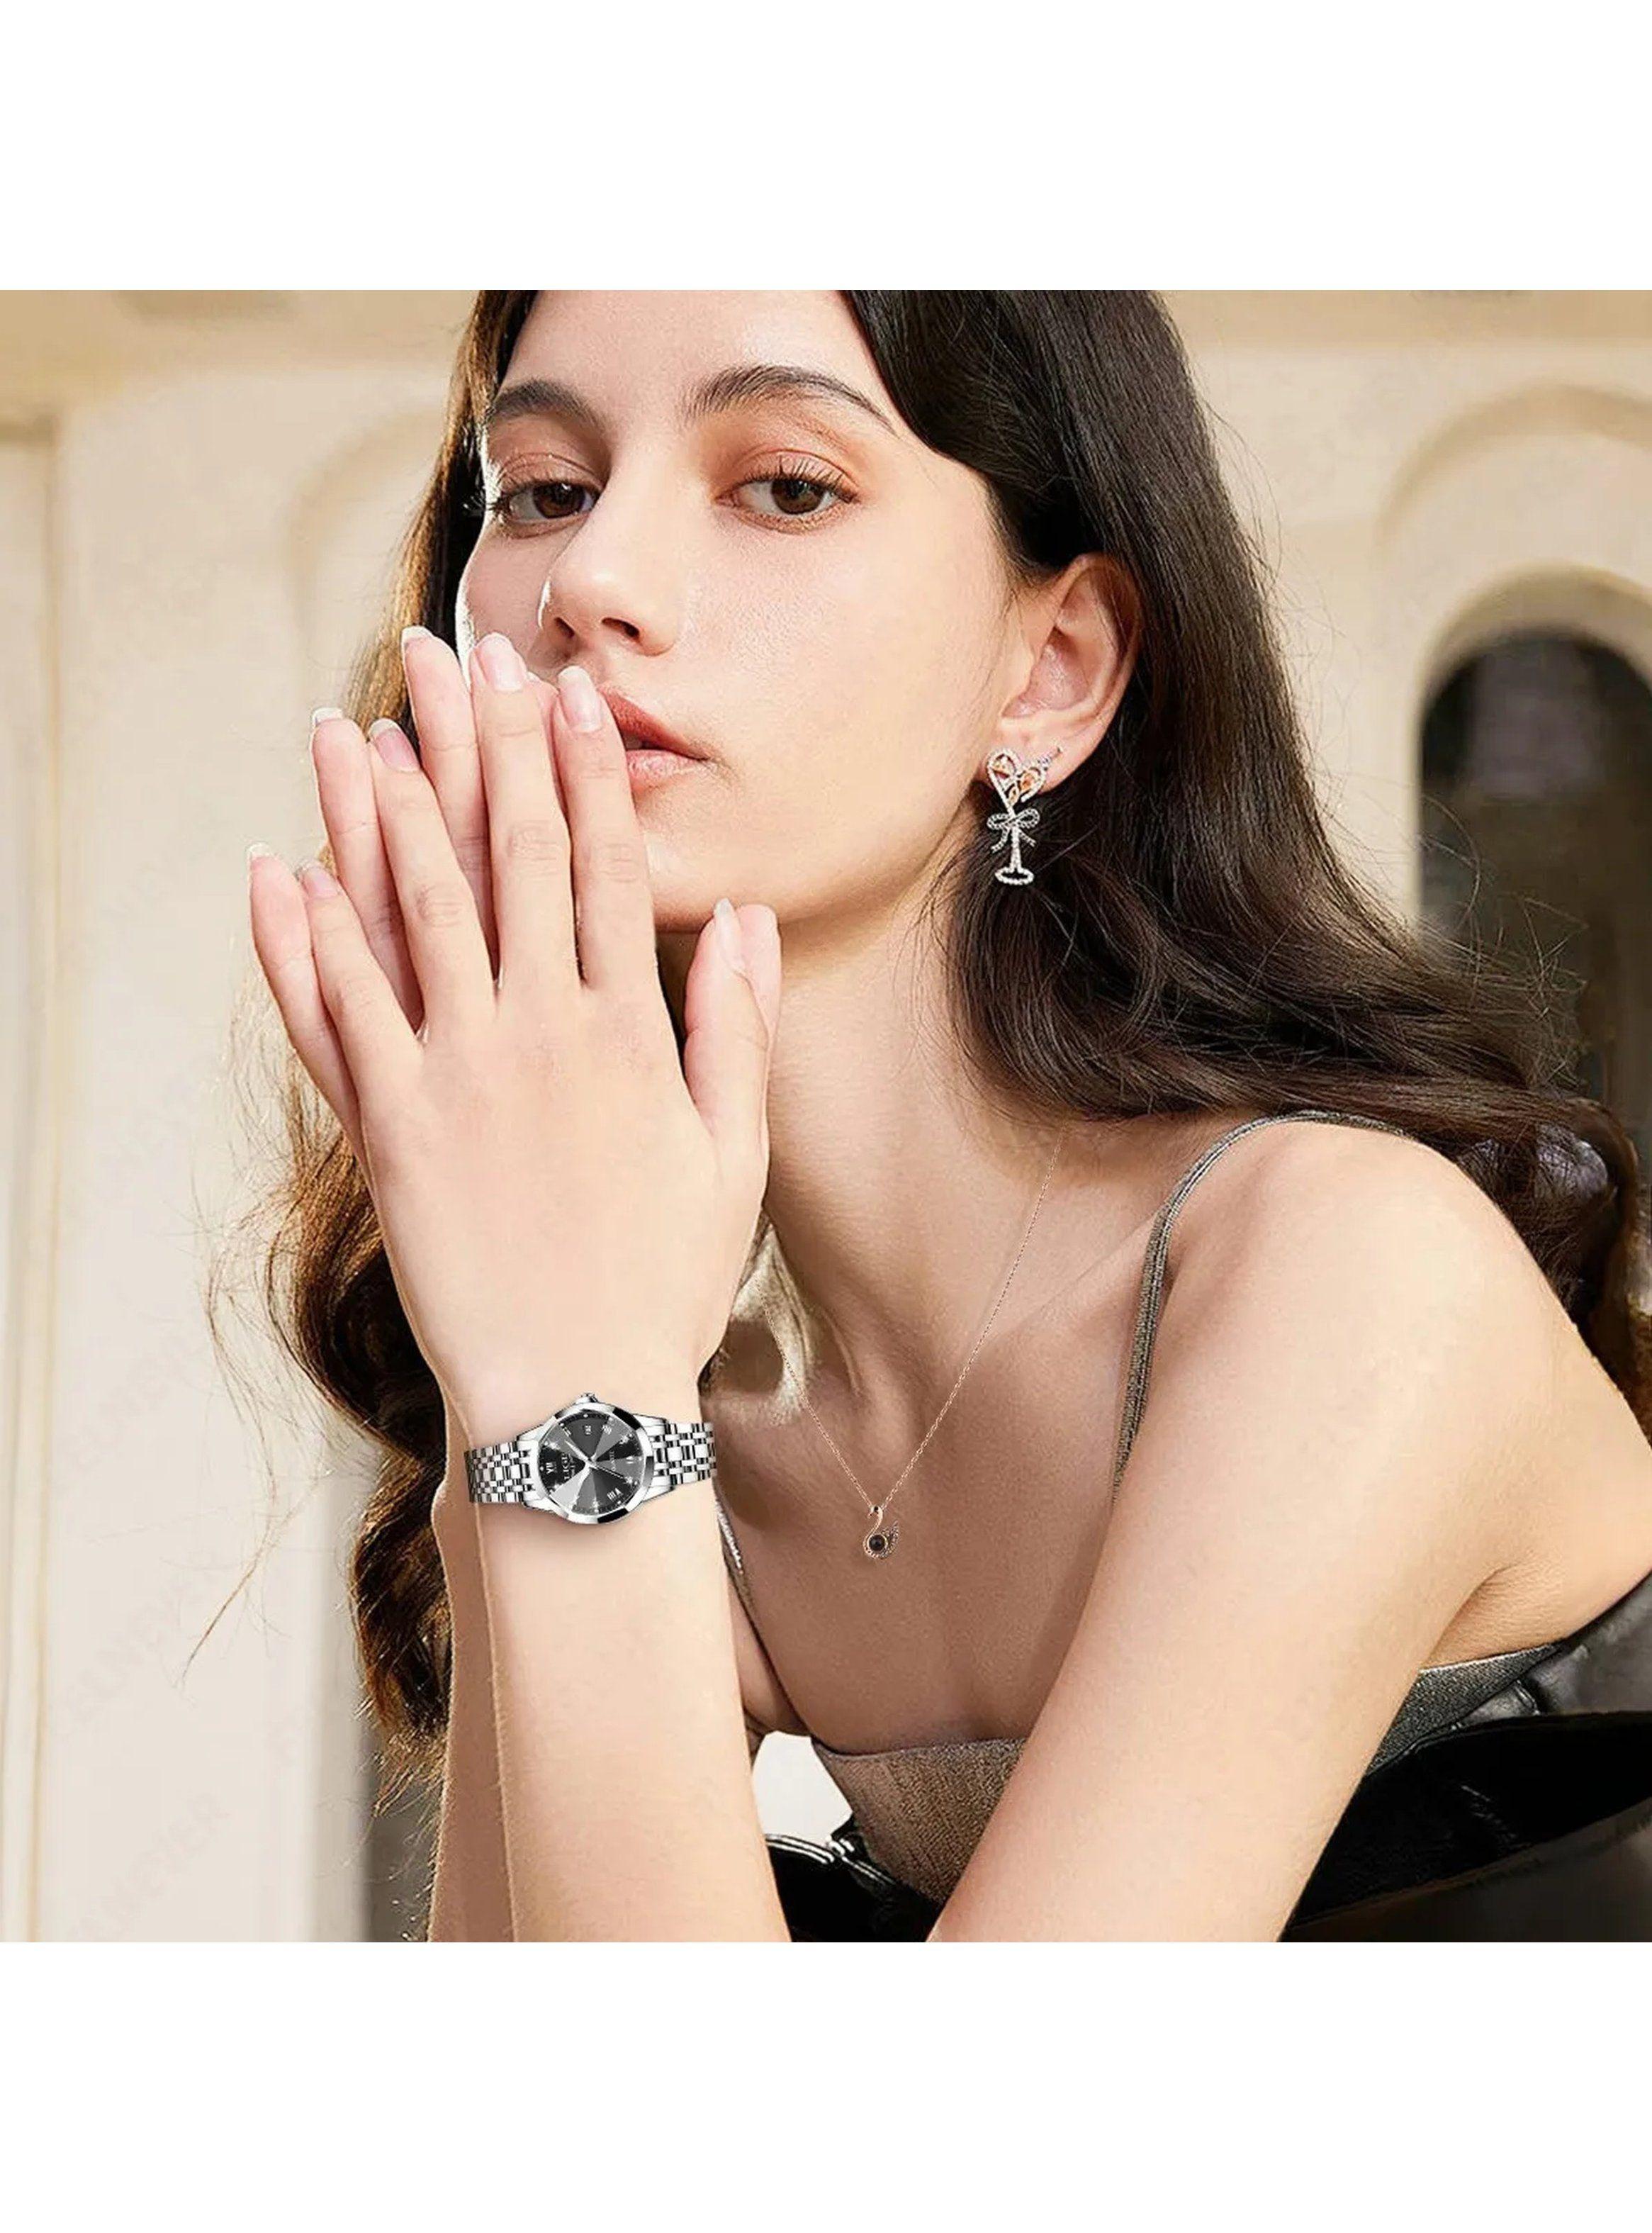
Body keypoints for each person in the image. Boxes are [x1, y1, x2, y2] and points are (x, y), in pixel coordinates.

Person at [233, 290, 1652, 1939]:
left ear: (1047, 670)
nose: (590, 580)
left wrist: (573, 1391)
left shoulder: (1345, 1272)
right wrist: (542, 1391)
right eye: (544, 490)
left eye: (783, 486)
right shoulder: (649, 1372)